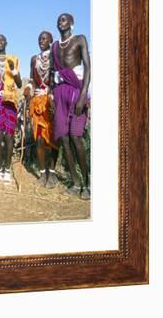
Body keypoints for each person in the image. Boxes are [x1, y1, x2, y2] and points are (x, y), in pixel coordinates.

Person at [51, 13, 91, 199]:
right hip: (60, 92)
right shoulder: (55, 46)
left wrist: (83, 96)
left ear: (72, 23)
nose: (61, 21)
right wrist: (53, 96)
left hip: (76, 91)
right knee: (64, 139)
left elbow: (88, 68)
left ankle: (88, 183)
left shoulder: (80, 39)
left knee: (76, 137)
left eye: (65, 19)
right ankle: (75, 183)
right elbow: (53, 72)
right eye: (59, 19)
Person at [0, 34, 22, 183]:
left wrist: (13, 70)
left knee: (9, 136)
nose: (0, 42)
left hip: (10, 100)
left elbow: (19, 84)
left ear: (6, 43)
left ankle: (7, 169)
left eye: (3, 40)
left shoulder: (12, 60)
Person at [24, 31, 59, 188]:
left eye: (44, 38)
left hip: (51, 101)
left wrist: (53, 95)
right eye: (39, 39)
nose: (41, 41)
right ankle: (42, 172)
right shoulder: (34, 59)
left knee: (52, 139)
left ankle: (52, 172)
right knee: (39, 138)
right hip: (38, 102)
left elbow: (58, 77)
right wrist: (28, 89)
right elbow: (32, 79)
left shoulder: (55, 57)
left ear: (51, 40)